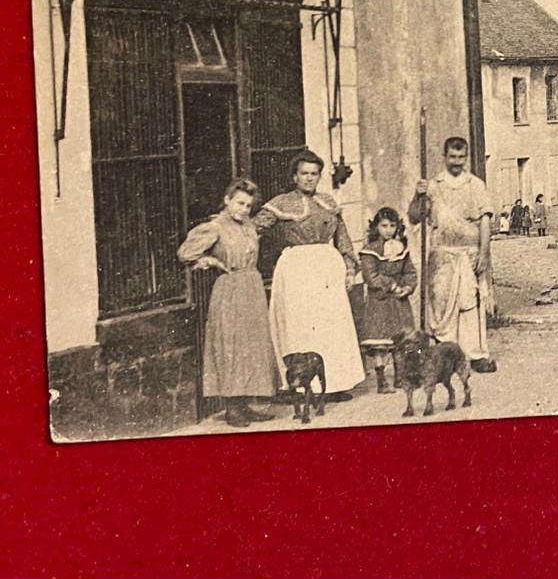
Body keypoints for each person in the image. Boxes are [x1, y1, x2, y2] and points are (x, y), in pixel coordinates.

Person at [257, 150, 366, 395]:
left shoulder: (327, 203)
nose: (309, 178)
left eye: (314, 174)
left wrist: (350, 269)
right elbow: (254, 229)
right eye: (304, 173)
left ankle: (335, 384)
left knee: (330, 324)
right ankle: (300, 385)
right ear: (294, 176)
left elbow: (343, 238)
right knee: (301, 324)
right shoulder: (281, 203)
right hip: (296, 269)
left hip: (326, 269)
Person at [177, 178, 279, 428]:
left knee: (252, 345)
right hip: (230, 288)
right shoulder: (215, 226)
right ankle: (232, 407)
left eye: (248, 205)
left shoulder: (248, 225)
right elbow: (185, 253)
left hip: (251, 286)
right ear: (227, 200)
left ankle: (245, 404)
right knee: (231, 344)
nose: (244, 209)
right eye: (239, 203)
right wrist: (211, 261)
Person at [408, 136, 497, 373]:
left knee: (469, 304)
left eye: (461, 157)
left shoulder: (475, 185)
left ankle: (475, 354)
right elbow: (415, 217)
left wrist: (485, 254)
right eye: (452, 157)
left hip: (469, 253)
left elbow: (485, 221)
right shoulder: (433, 185)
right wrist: (418, 195)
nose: (457, 162)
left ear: (466, 157)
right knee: (441, 303)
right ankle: (445, 354)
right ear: (444, 157)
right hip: (442, 254)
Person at [353, 208, 417, 395]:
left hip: (398, 302)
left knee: (399, 340)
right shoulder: (370, 251)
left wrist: (407, 287)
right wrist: (392, 285)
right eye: (383, 226)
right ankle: (381, 380)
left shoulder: (400, 249)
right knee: (380, 344)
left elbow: (410, 272)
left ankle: (400, 376)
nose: (388, 230)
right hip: (379, 301)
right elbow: (371, 277)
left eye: (392, 226)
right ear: (376, 227)